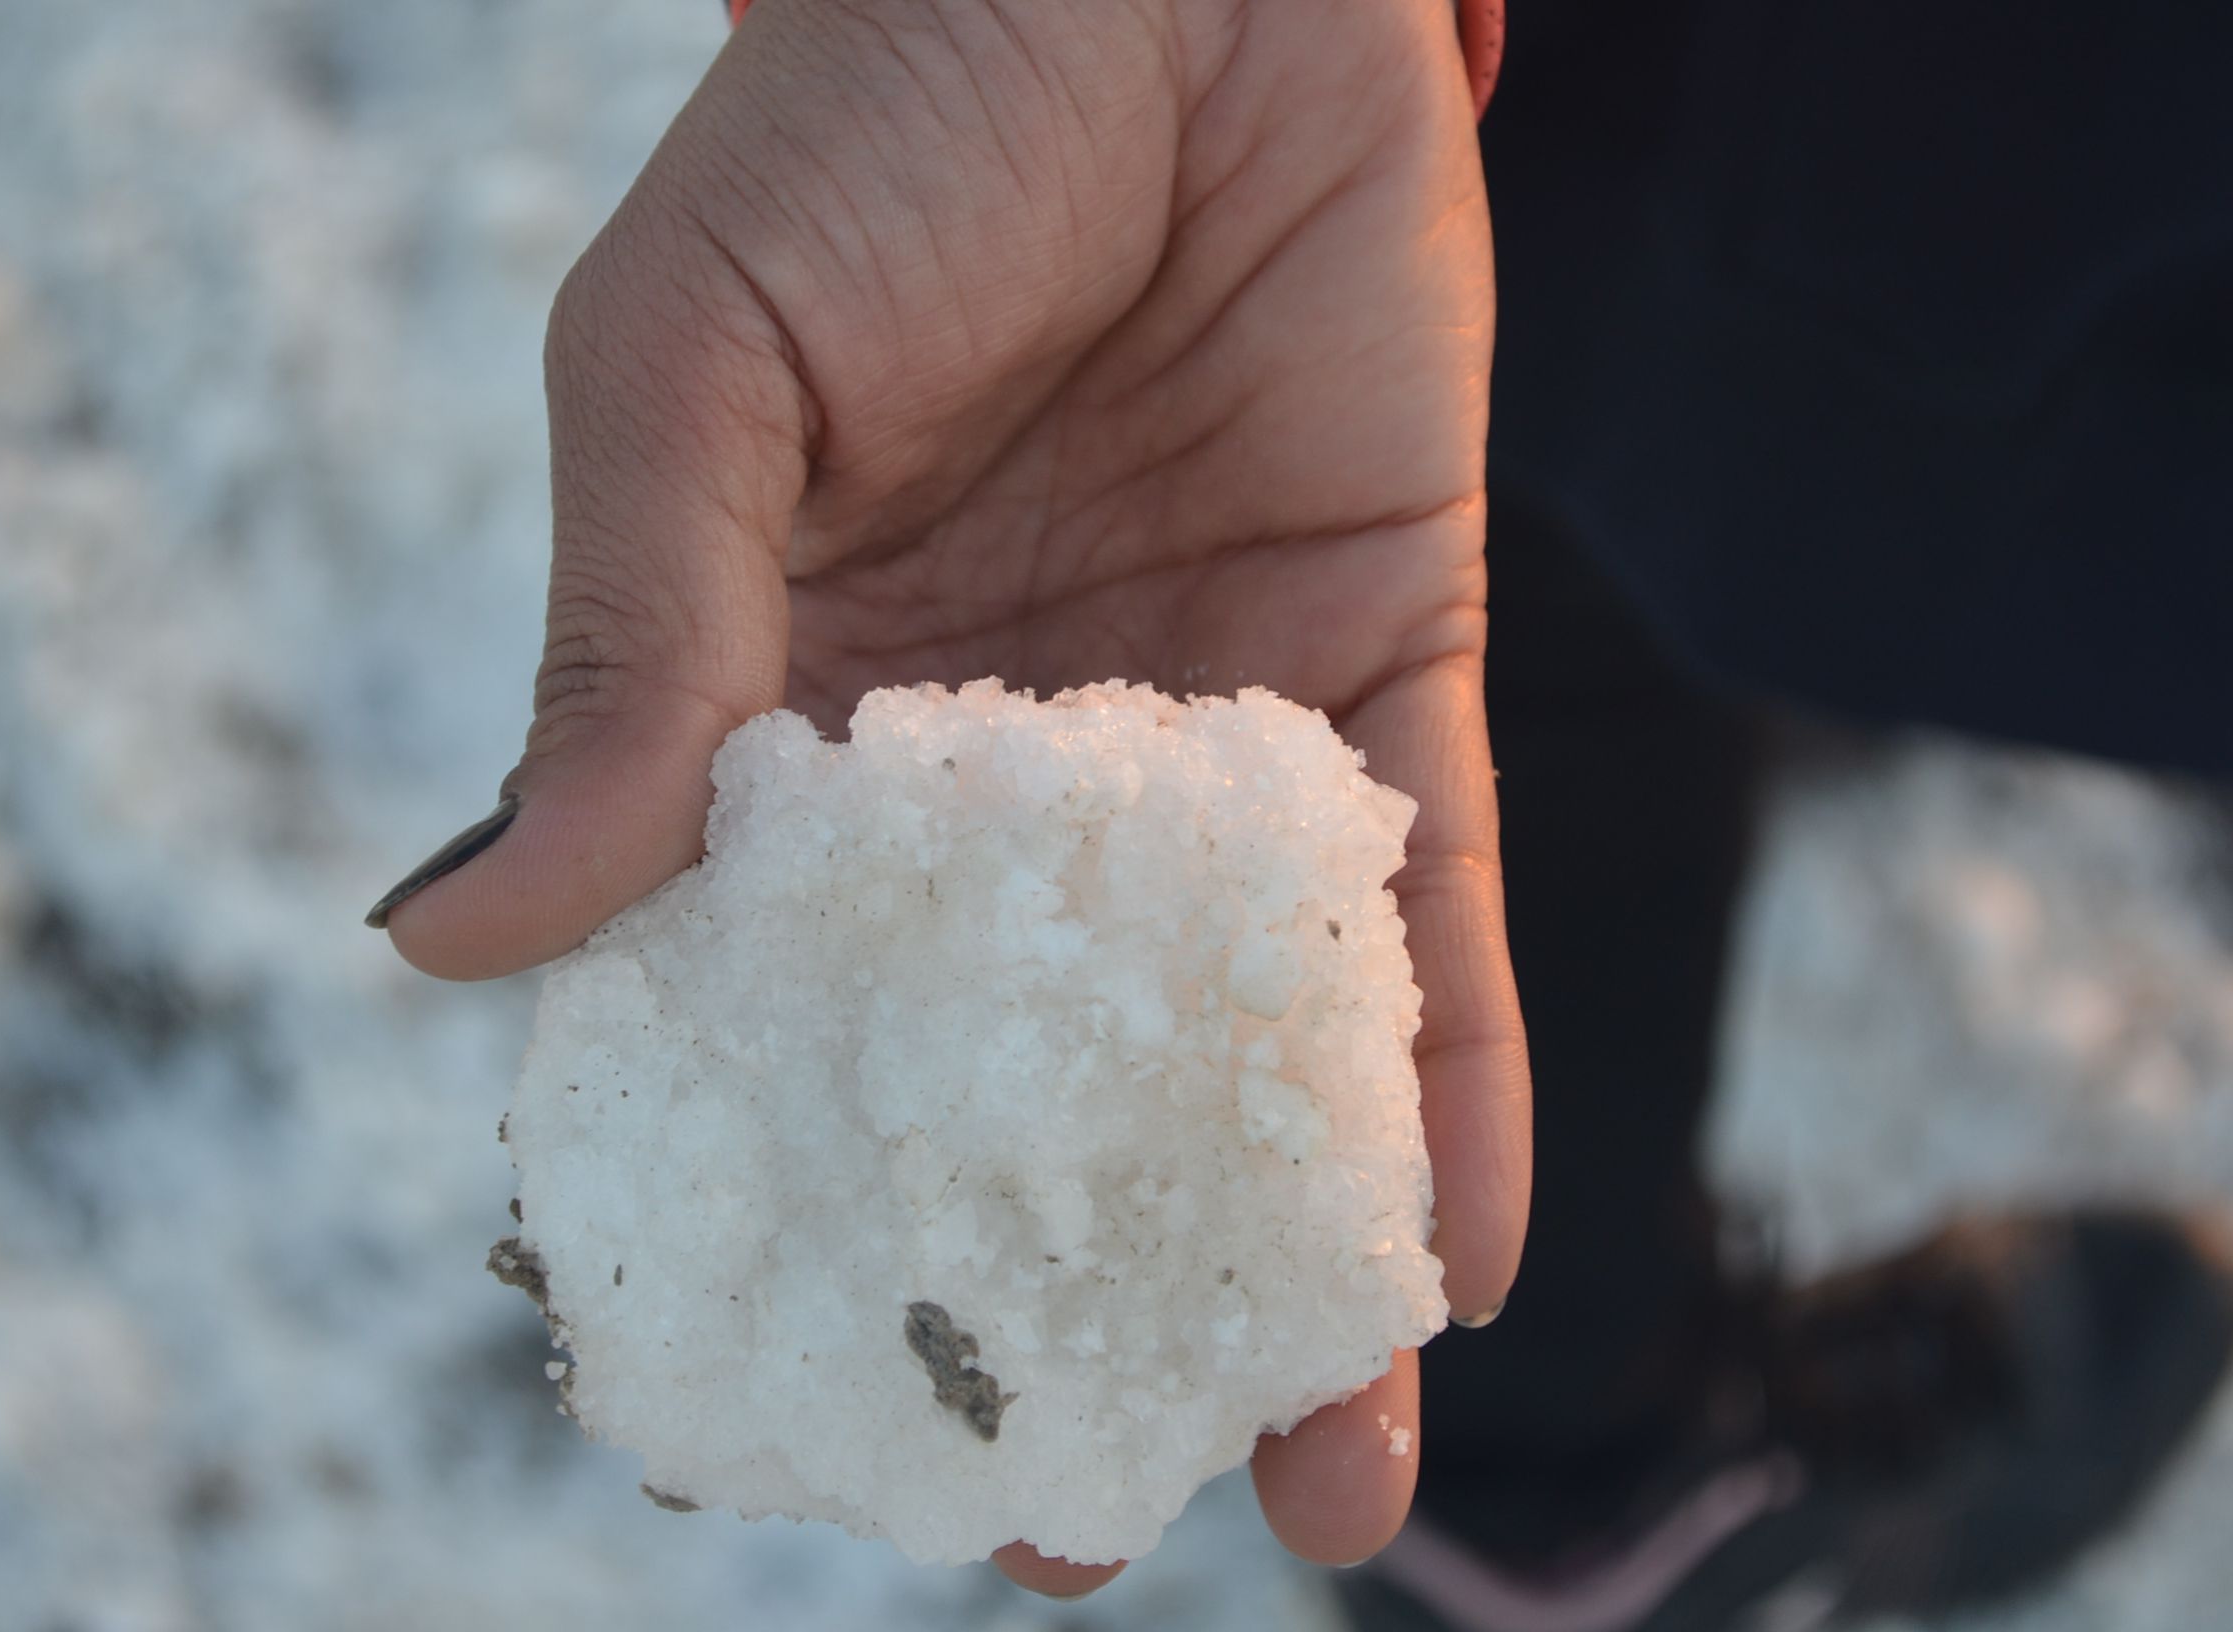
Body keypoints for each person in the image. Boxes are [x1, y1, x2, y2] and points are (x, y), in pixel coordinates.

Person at [363, 1, 2233, 1625]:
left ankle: (1853, 601)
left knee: (1739, 501)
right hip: (1595, 136)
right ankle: (1577, 1500)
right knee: (1515, 507)